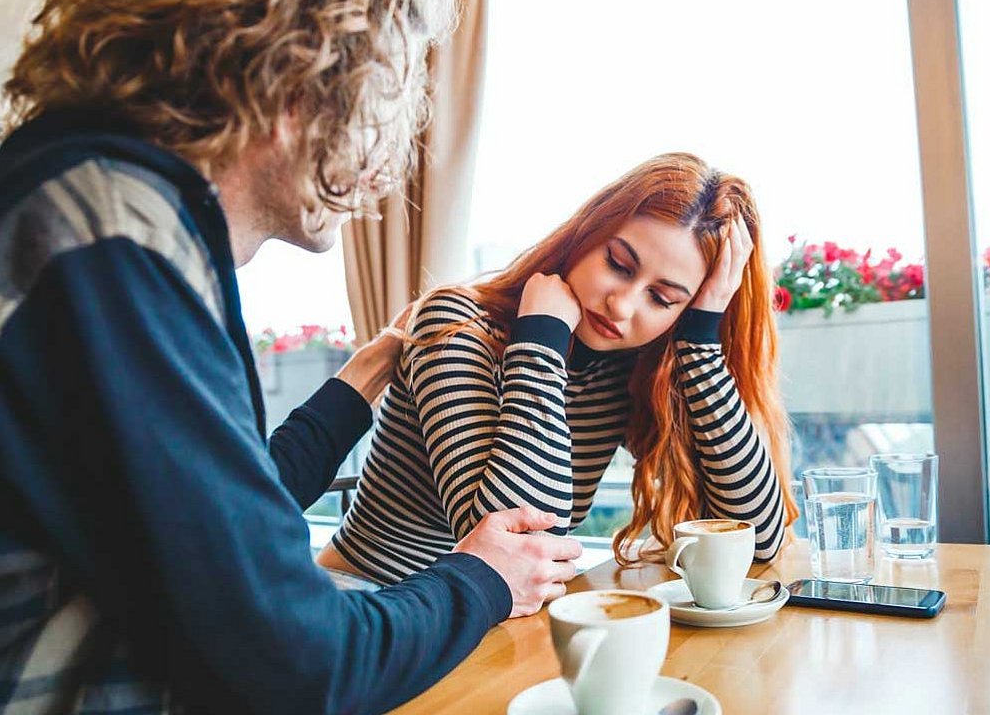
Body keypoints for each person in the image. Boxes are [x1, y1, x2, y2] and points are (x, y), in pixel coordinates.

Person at [0, 0, 581, 714]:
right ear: (303, 78)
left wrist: (367, 370)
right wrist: (481, 580)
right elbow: (298, 664)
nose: (386, 148)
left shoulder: (78, 205)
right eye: (382, 95)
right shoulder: (107, 244)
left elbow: (225, 519)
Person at [318, 153, 801, 585]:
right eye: (618, 264)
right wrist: (541, 340)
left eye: (663, 298)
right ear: (586, 235)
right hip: (369, 597)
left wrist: (699, 343)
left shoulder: (627, 370)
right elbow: (507, 546)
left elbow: (756, 537)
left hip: (499, 625)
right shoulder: (457, 325)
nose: (622, 303)